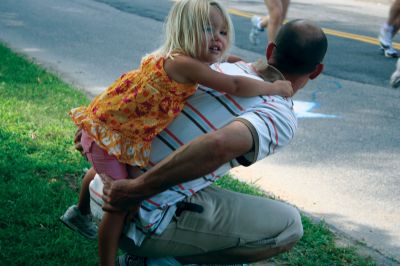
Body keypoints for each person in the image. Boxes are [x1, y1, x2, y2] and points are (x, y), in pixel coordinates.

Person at [76, 19, 327, 266]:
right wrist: (135, 189)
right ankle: (151, 261)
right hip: (130, 211)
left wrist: (97, 129)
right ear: (316, 71)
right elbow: (218, 145)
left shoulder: (214, 68)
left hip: (103, 182)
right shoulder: (279, 113)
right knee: (290, 226)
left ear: (271, 49)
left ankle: (86, 215)